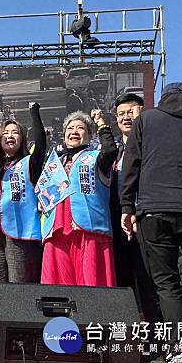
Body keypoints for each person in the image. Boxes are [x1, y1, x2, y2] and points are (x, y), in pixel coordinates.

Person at [121, 83, 182, 363]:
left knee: (166, 283)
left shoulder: (146, 120)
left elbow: (131, 163)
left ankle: (178, 349)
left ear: (162, 98)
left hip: (153, 210)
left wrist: (126, 206)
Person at [109, 93, 163, 363]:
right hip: (118, 229)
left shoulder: (154, 146)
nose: (126, 117)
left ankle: (156, 347)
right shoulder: (114, 152)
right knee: (123, 287)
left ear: (143, 113)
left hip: (145, 223)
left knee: (149, 286)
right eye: (121, 114)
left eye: (131, 111)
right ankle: (127, 348)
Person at [40, 110, 118, 286]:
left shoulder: (96, 158)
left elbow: (110, 150)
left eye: (80, 128)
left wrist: (101, 124)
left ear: (90, 136)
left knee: (91, 285)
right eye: (70, 128)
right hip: (57, 230)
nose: (74, 131)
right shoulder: (54, 162)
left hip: (88, 230)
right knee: (57, 287)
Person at [0, 102, 46, 284]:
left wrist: (34, 112)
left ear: (23, 139)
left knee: (20, 289)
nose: (10, 136)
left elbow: (40, 146)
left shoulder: (29, 163)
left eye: (16, 133)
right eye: (6, 133)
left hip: (21, 235)